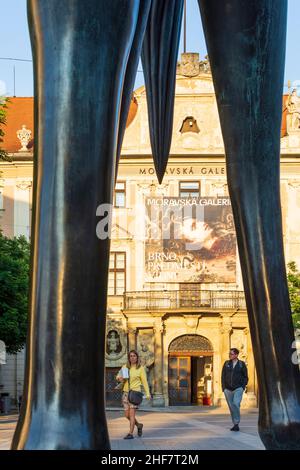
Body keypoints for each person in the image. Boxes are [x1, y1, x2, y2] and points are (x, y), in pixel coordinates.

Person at [116, 350, 151, 440]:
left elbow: (144, 382)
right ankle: (139, 425)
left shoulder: (140, 368)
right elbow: (118, 376)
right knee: (126, 415)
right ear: (129, 358)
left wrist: (148, 393)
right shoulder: (125, 367)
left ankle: (130, 433)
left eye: (134, 356)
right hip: (125, 394)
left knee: (132, 415)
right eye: (131, 356)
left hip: (135, 394)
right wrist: (119, 378)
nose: (132, 357)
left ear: (137, 357)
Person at [221, 348, 248, 431]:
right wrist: (224, 388)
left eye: (231, 354)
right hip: (228, 389)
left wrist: (243, 386)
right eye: (229, 354)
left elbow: (245, 377)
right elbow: (223, 376)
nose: (230, 355)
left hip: (238, 388)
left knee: (236, 404)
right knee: (231, 407)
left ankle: (237, 421)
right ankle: (235, 424)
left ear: (236, 355)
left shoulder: (241, 364)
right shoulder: (226, 364)